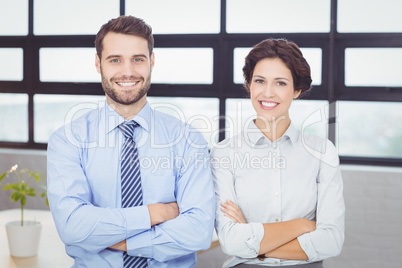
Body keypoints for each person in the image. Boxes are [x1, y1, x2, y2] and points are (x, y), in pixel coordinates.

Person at [47, 15, 215, 267]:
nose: (128, 71)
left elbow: (199, 232)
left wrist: (124, 241)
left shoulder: (188, 139)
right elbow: (72, 226)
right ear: (98, 63)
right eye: (115, 60)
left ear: (152, 61)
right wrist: (155, 213)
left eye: (138, 59)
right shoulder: (67, 140)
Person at [211, 39, 345, 268]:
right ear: (249, 85)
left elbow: (331, 242)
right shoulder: (224, 153)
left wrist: (255, 247)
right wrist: (302, 225)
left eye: (281, 83)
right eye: (260, 81)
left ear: (297, 90)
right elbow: (231, 242)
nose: (268, 92)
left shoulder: (322, 152)